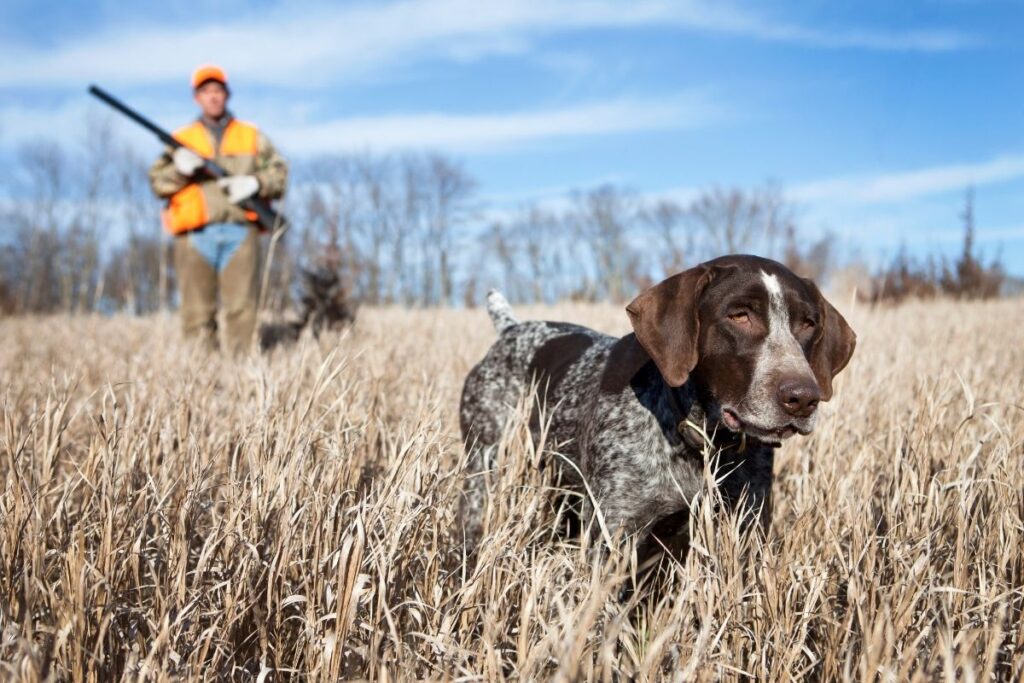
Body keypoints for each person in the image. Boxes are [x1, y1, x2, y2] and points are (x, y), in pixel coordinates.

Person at [149, 64, 288, 354]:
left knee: (243, 311)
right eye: (205, 92)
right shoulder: (180, 139)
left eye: (217, 91)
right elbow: (157, 183)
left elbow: (280, 174)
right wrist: (179, 170)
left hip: (241, 231)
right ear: (196, 98)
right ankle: (202, 383)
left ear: (226, 95)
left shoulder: (251, 135)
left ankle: (241, 379)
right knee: (196, 314)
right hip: (194, 235)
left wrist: (255, 183)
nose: (212, 97)